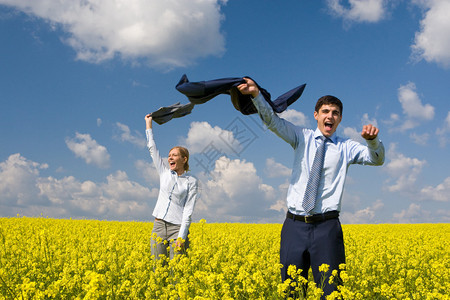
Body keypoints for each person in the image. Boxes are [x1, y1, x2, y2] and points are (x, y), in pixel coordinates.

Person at [237, 78, 385, 297]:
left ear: (340, 119)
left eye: (335, 113)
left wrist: (373, 141)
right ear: (316, 115)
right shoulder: (301, 137)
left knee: (332, 291)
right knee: (292, 291)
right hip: (294, 226)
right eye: (325, 111)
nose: (330, 116)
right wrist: (256, 95)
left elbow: (376, 159)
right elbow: (272, 121)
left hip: (327, 228)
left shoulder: (347, 146)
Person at [145, 114, 199, 260]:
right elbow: (152, 149)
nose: (170, 158)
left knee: (177, 273)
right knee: (158, 270)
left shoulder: (191, 181)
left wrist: (182, 236)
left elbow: (188, 209)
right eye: (169, 155)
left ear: (184, 159)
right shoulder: (164, 173)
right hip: (159, 226)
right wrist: (149, 125)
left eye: (174, 155)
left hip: (178, 228)